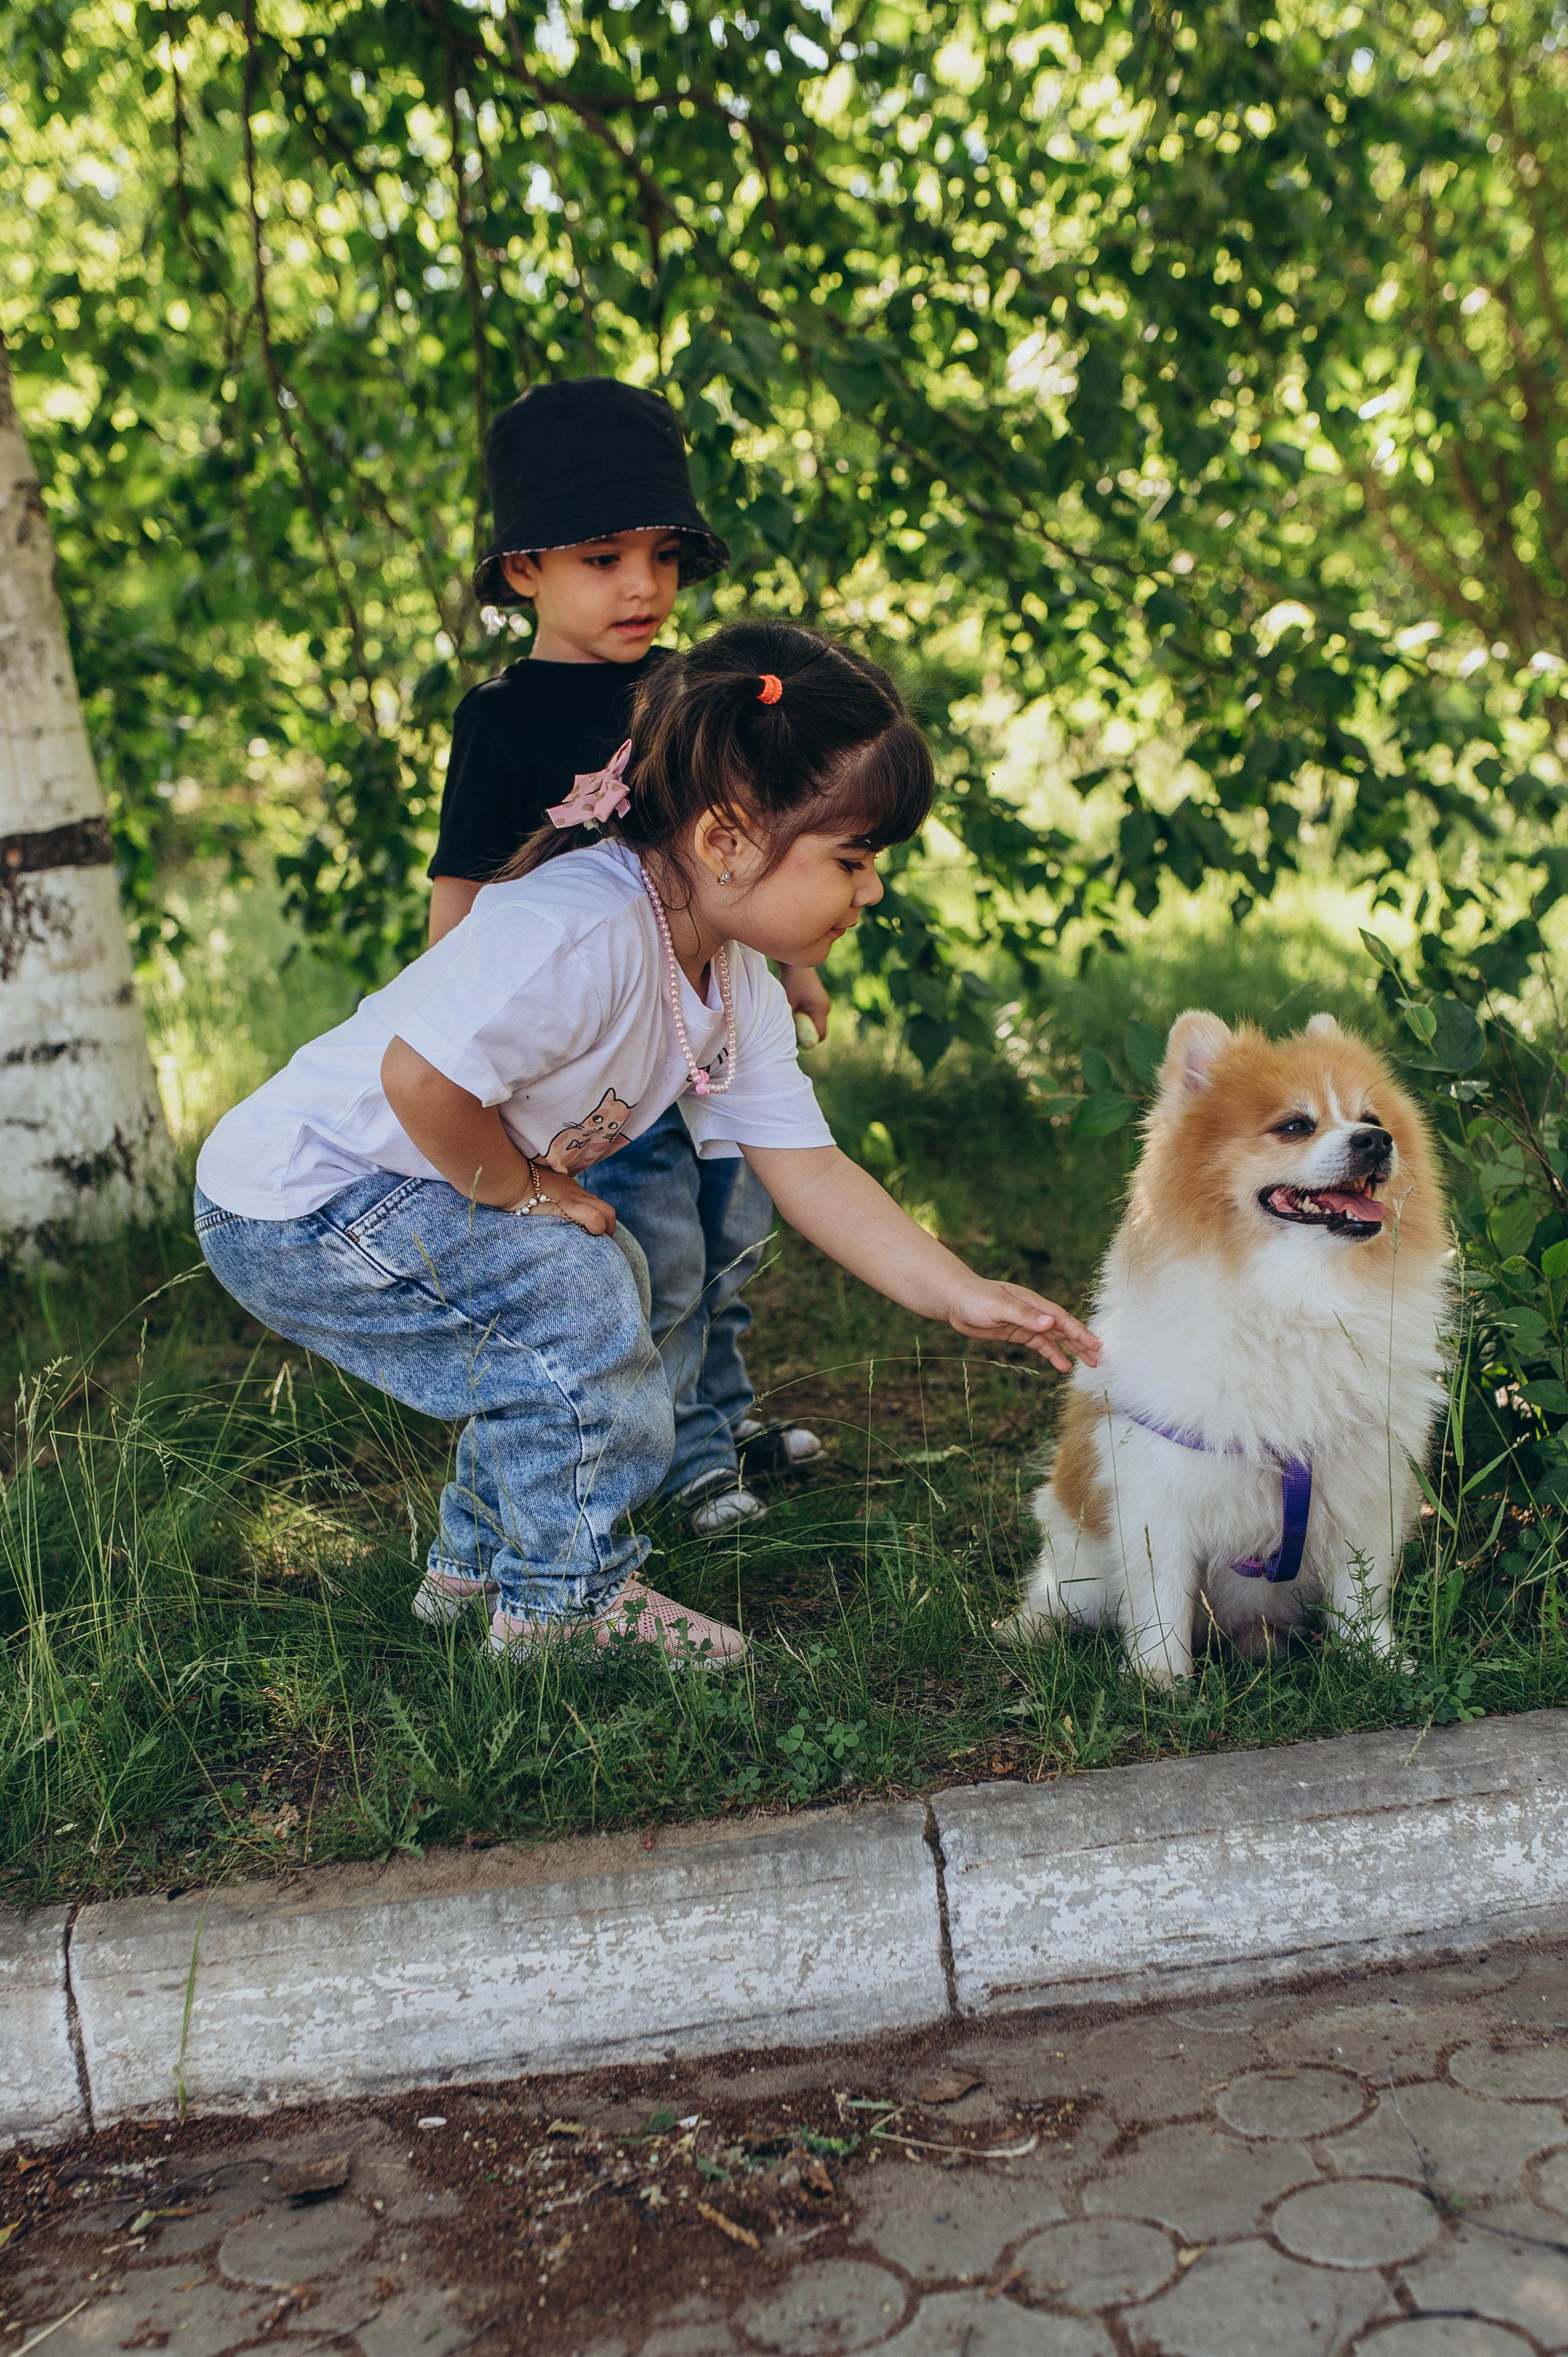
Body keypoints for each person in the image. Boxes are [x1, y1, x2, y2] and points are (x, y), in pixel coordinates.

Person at [193, 620, 1099, 1666]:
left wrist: (956, 1292)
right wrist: (524, 1190)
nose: (874, 889)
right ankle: (564, 1611)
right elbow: (418, 1080)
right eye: (852, 859)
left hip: (382, 1185)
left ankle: (476, 1571)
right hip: (303, 1200)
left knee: (585, 1285)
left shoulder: (730, 975)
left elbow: (807, 1168)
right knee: (574, 1298)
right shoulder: (583, 928)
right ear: (725, 840)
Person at [430, 376, 827, 1536]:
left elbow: (753, 847)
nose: (643, 585)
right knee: (652, 1257)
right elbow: (463, 881)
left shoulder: (699, 690)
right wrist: (460, 1030)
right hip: (599, 1050)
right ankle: (683, 1461)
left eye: (662, 555)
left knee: (732, 1236)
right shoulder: (501, 718)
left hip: (712, 1019)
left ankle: (719, 1411)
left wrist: (793, 967)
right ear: (523, 572)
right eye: (603, 558)